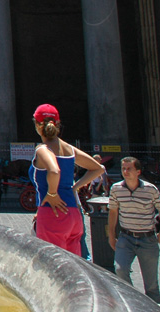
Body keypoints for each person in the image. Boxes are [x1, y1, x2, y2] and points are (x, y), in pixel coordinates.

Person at [28, 104, 104, 254]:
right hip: (74, 215)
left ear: (37, 125)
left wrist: (52, 194)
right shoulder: (69, 148)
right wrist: (74, 188)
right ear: (57, 124)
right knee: (71, 269)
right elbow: (98, 169)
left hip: (53, 213)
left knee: (51, 268)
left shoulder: (42, 149)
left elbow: (54, 170)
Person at [108, 156, 160, 304]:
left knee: (151, 285)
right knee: (120, 270)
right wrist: (111, 235)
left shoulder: (150, 189)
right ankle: (133, 303)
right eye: (123, 168)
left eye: (129, 168)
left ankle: (155, 307)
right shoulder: (116, 189)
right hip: (125, 237)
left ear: (138, 171)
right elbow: (113, 212)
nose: (125, 171)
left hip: (147, 239)